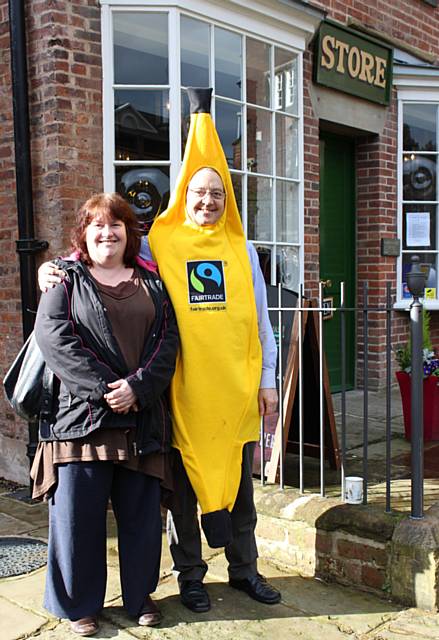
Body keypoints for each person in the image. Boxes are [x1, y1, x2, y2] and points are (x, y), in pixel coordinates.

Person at [38, 87, 281, 614]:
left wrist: (269, 382)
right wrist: (51, 268)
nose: (208, 201)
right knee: (183, 495)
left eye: (218, 193)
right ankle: (190, 576)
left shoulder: (244, 251)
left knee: (240, 492)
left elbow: (262, 322)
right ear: (184, 195)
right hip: (178, 394)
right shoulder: (158, 244)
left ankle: (245, 570)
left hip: (235, 393)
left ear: (228, 198)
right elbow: (104, 249)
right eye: (199, 192)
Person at [32, 193, 179, 636]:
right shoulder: (63, 279)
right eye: (97, 225)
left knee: (140, 516)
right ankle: (80, 604)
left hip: (139, 417)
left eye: (116, 224)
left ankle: (140, 596)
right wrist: (104, 391)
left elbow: (168, 340)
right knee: (78, 518)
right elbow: (53, 338)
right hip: (81, 421)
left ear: (129, 233)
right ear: (84, 233)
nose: (107, 232)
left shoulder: (153, 280)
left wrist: (137, 388)